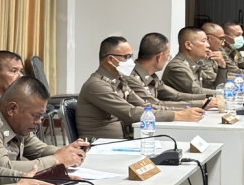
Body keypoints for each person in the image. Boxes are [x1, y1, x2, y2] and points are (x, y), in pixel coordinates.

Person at [75, 35, 206, 140]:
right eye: (126, 57)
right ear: (110, 60)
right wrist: (177, 115)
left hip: (123, 141)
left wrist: (186, 111)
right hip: (101, 146)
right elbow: (130, 113)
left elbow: (146, 106)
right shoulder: (96, 85)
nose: (131, 61)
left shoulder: (120, 81)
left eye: (131, 56)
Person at [0, 75, 89, 175]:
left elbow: (41, 150)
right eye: (36, 115)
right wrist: (57, 160)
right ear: (12, 109)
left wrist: (69, 153)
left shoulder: (17, 123)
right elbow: (3, 169)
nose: (39, 121)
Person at [130, 32, 215, 107]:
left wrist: (209, 98)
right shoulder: (131, 77)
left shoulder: (152, 76)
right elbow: (154, 105)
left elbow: (176, 95)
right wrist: (201, 103)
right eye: (168, 56)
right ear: (159, 57)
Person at [160, 27, 217, 97]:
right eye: (203, 41)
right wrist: (224, 92)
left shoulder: (194, 64)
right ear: (188, 45)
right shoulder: (177, 67)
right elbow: (196, 91)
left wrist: (222, 67)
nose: (208, 45)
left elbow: (214, 85)